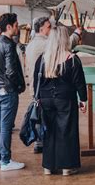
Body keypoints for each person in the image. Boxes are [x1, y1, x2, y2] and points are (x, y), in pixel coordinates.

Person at [34, 25, 87, 176]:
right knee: (67, 131)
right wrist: (83, 100)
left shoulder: (43, 59)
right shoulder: (72, 59)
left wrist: (38, 98)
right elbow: (79, 83)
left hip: (45, 100)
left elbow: (36, 80)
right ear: (65, 39)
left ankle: (48, 166)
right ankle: (66, 167)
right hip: (66, 100)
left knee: (49, 131)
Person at [25, 17, 81, 153]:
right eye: (49, 27)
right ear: (41, 29)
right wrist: (76, 34)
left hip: (36, 86)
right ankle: (42, 143)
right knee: (44, 117)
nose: (51, 30)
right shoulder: (44, 44)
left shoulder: (31, 44)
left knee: (39, 114)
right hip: (46, 88)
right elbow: (62, 45)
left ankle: (40, 142)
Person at [0, 13, 26, 171]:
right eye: (16, 25)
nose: (17, 28)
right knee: (6, 126)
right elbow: (11, 72)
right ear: (9, 27)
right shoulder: (8, 45)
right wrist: (18, 86)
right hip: (7, 91)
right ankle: (6, 161)